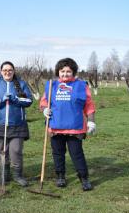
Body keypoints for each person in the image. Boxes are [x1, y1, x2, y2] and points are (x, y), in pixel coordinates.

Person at [40, 57, 96, 191]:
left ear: (74, 72)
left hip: (75, 128)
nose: (65, 74)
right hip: (55, 127)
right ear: (58, 72)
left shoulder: (81, 86)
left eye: (68, 71)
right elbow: (43, 102)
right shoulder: (51, 85)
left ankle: (84, 178)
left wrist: (91, 121)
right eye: (62, 71)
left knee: (77, 154)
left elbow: (89, 105)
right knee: (58, 154)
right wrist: (44, 109)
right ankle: (60, 177)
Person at [0, 61, 33, 187]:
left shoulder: (21, 84)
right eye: (5, 70)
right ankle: (5, 175)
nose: (7, 72)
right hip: (1, 124)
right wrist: (1, 100)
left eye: (10, 70)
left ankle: (18, 175)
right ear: (1, 72)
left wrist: (15, 99)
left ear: (13, 71)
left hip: (17, 125)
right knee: (3, 151)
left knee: (16, 151)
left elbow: (29, 100)